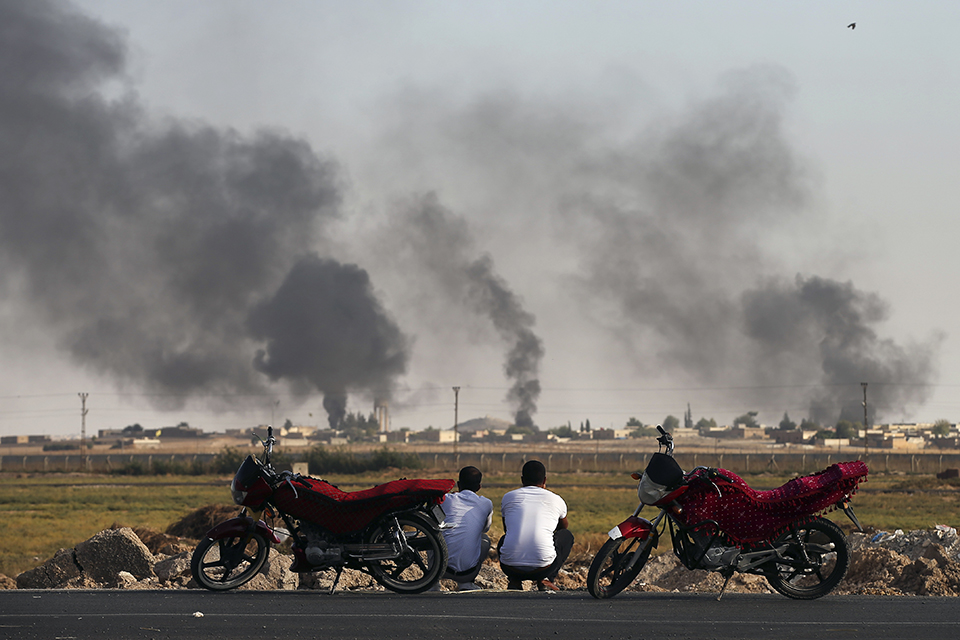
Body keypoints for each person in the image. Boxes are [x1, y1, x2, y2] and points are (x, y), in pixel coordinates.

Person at [498, 459, 574, 591]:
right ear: (544, 480)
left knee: (505, 538)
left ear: (522, 480)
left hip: (510, 567)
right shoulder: (556, 499)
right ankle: (547, 579)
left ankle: (514, 581)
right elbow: (564, 528)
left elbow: (507, 528)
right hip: (543, 568)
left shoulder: (508, 497)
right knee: (566, 536)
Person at [439, 466, 493, 591]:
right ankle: (467, 583)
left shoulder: (446, 499)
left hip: (440, 569)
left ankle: (433, 584)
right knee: (484, 539)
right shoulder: (486, 503)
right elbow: (485, 529)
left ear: (458, 484)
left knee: (434, 535)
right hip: (467, 573)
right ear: (479, 487)